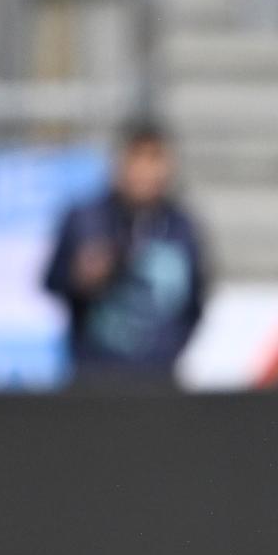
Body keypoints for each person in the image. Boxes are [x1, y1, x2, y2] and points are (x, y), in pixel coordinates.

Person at [41, 122, 208, 383]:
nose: (145, 171)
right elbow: (51, 280)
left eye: (154, 159)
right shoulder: (85, 217)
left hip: (158, 380)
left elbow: (195, 302)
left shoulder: (181, 226)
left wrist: (170, 350)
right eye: (137, 158)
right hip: (95, 379)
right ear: (119, 162)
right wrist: (82, 277)